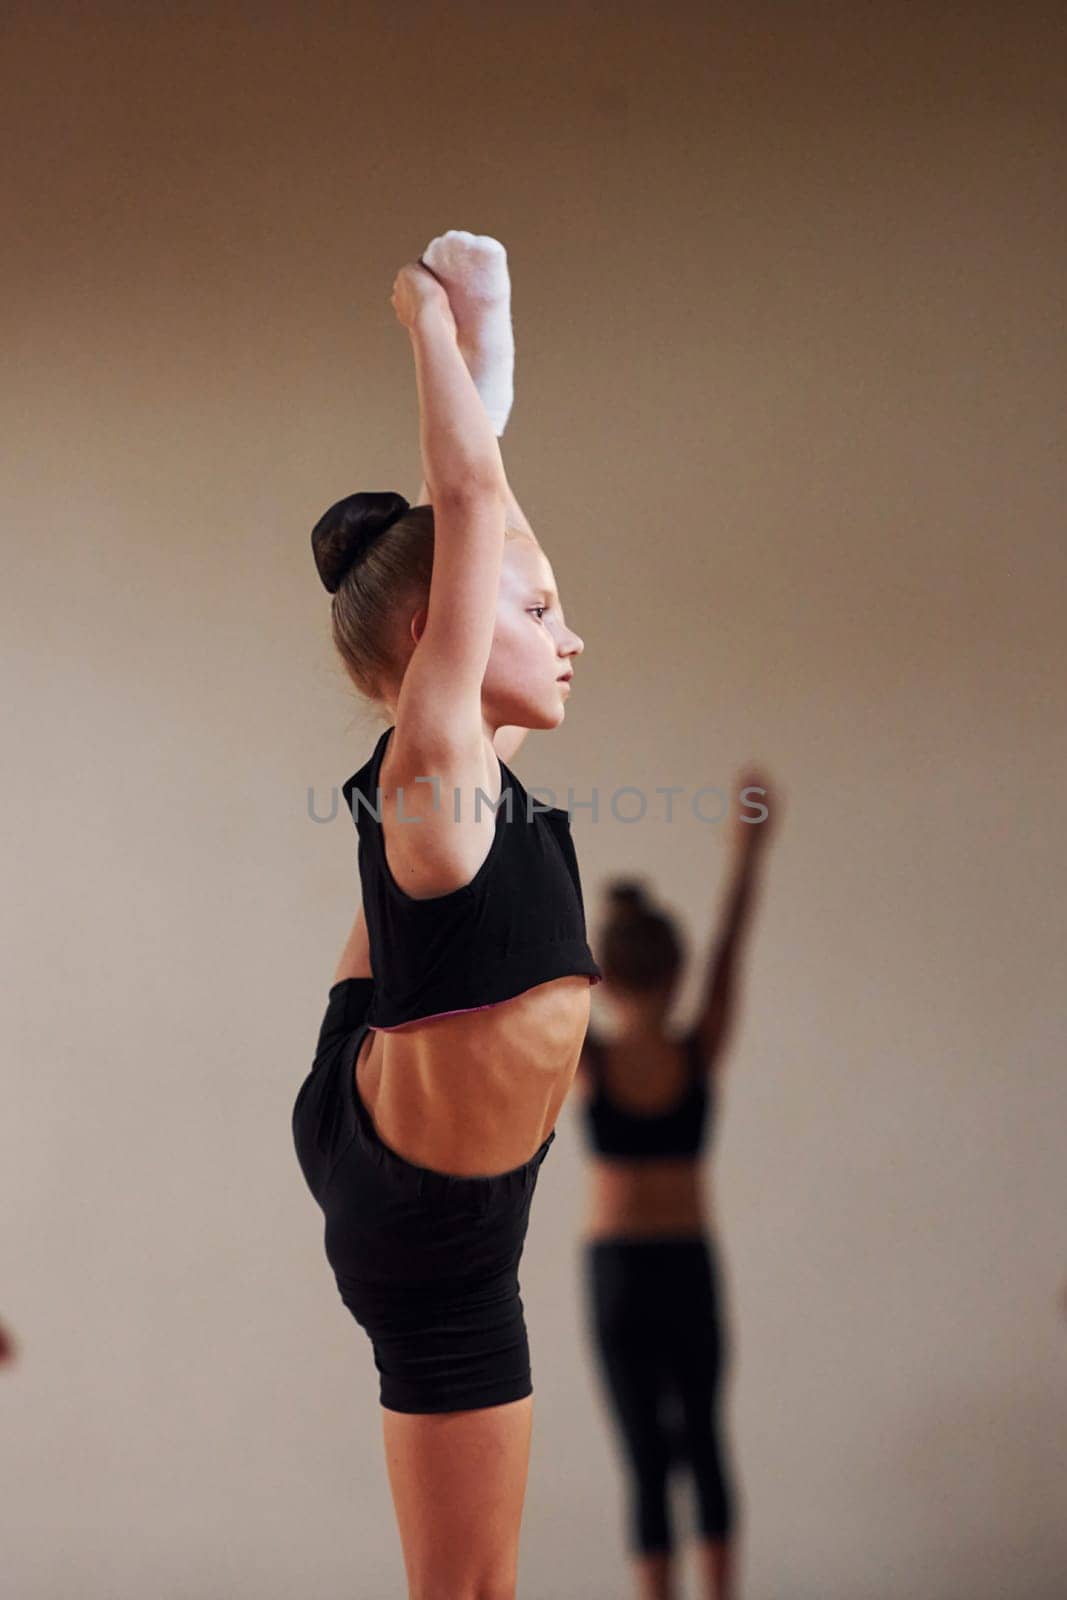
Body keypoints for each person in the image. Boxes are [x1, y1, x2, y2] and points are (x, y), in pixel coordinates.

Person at [291, 231, 602, 1600]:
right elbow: (467, 531)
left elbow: (470, 532)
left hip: (392, 1099)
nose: (570, 632)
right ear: (446, 638)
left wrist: (486, 390)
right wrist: (428, 323)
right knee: (471, 1592)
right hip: (433, 1224)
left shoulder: (460, 760)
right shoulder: (442, 767)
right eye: (539, 612)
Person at [574, 775, 779, 1600]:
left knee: (649, 1458)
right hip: (679, 1265)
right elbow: (730, 947)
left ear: (602, 980)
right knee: (700, 1444)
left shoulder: (587, 1058)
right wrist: (747, 851)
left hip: (622, 1273)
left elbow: (536, 977)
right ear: (676, 971)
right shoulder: (692, 1050)